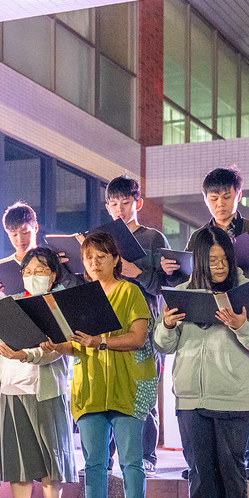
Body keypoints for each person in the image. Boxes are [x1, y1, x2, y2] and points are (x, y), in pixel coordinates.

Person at [154, 226, 249, 498]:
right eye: (212, 260)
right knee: (199, 468)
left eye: (224, 258)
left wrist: (242, 327)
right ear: (199, 261)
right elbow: (163, 345)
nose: (219, 265)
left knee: (230, 466)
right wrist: (167, 326)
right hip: (190, 395)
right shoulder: (181, 292)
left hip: (234, 394)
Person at [43, 231, 156, 498]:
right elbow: (74, 345)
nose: (93, 262)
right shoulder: (80, 296)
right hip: (90, 385)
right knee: (94, 461)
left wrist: (101, 341)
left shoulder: (130, 291)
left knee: (130, 461)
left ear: (116, 259)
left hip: (127, 384)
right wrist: (57, 344)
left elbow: (137, 338)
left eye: (101, 256)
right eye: (89, 257)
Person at [165, 167, 249, 480]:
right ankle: (198, 462)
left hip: (243, 311)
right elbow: (192, 278)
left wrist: (233, 270)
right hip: (205, 319)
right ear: (205, 199)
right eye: (214, 198)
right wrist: (174, 271)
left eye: (227, 196)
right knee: (202, 397)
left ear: (239, 195)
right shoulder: (198, 237)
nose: (220, 203)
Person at [0, 246, 77, 498]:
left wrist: (25, 355)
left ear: (53, 275)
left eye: (40, 271)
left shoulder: (59, 305)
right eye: (27, 272)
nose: (33, 276)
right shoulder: (12, 303)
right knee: (18, 459)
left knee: (50, 456)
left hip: (44, 390)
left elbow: (57, 350)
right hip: (11, 388)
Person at [103, 176, 170, 477]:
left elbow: (166, 286)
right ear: (107, 207)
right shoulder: (102, 240)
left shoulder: (153, 239)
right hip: (108, 323)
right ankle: (104, 459)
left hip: (145, 323)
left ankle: (146, 456)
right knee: (107, 391)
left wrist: (137, 272)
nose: (119, 210)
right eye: (114, 204)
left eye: (126, 203)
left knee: (142, 392)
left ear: (138, 204)